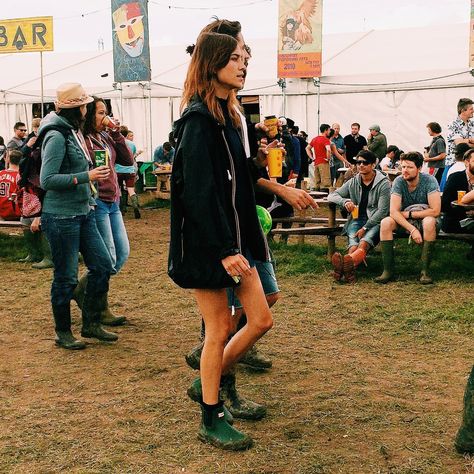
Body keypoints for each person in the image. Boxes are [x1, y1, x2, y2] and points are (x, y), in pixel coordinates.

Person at [168, 32, 274, 450]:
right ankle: (210, 416)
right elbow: (197, 194)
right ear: (212, 64)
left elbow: (236, 188)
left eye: (244, 58)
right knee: (218, 330)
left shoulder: (227, 119)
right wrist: (226, 250)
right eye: (234, 58)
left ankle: (204, 384)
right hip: (209, 246)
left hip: (234, 243)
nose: (243, 64)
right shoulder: (197, 123)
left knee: (261, 319)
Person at [39, 82, 118, 350]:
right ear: (76, 108)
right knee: (66, 277)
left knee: (103, 265)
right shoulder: (56, 136)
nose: (87, 108)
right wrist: (87, 176)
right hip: (61, 217)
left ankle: (91, 323)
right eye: (84, 105)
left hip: (82, 211)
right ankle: (63, 332)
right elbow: (47, 179)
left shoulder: (72, 131)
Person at [80, 97, 135, 326]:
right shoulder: (82, 139)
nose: (106, 117)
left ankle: (82, 290)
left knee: (120, 254)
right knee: (108, 257)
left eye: (106, 112)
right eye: (101, 113)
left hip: (113, 200)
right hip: (98, 201)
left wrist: (116, 134)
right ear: (89, 114)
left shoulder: (105, 136)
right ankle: (99, 307)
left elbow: (127, 160)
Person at [375, 152, 441, 284]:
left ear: (419, 168)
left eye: (409, 167)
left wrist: (410, 214)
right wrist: (412, 229)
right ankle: (388, 271)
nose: (405, 170)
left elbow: (435, 210)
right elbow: (393, 212)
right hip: (405, 222)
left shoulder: (429, 180)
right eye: (403, 166)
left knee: (429, 222)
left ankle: (424, 272)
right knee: (386, 222)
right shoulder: (399, 181)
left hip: (425, 219)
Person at [328, 150, 390, 283]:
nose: (361, 165)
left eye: (365, 162)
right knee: (354, 240)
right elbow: (332, 195)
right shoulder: (354, 181)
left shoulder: (383, 183)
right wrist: (345, 201)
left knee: (364, 241)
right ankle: (348, 269)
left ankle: (343, 269)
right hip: (356, 218)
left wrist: (366, 227)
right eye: (358, 162)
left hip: (376, 221)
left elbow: (383, 210)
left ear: (373, 165)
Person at [442, 98, 474, 191]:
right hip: (454, 162)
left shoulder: (472, 124)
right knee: (448, 191)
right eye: (471, 109)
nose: (473, 111)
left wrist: (466, 141)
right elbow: (459, 144)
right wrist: (471, 141)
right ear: (463, 111)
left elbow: (462, 142)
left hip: (470, 164)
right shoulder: (453, 124)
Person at [441, 148, 474, 235]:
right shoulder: (455, 178)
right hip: (456, 221)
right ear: (466, 162)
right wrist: (466, 213)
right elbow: (444, 205)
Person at [116, 125, 141, 218]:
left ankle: (122, 210)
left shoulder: (115, 143)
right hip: (130, 170)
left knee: (119, 189)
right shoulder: (131, 144)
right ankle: (135, 208)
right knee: (131, 190)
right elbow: (133, 156)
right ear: (127, 134)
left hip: (118, 170)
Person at [306, 123, 332, 191]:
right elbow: (328, 150)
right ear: (326, 130)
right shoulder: (326, 140)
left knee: (317, 183)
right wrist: (328, 158)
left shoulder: (314, 139)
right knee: (325, 184)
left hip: (316, 163)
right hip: (324, 162)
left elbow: (307, 148)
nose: (330, 132)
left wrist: (312, 158)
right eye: (329, 130)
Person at [0, 149, 21, 221]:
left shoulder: (0, 173)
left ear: (8, 159)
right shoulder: (20, 176)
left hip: (1, 212)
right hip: (16, 213)